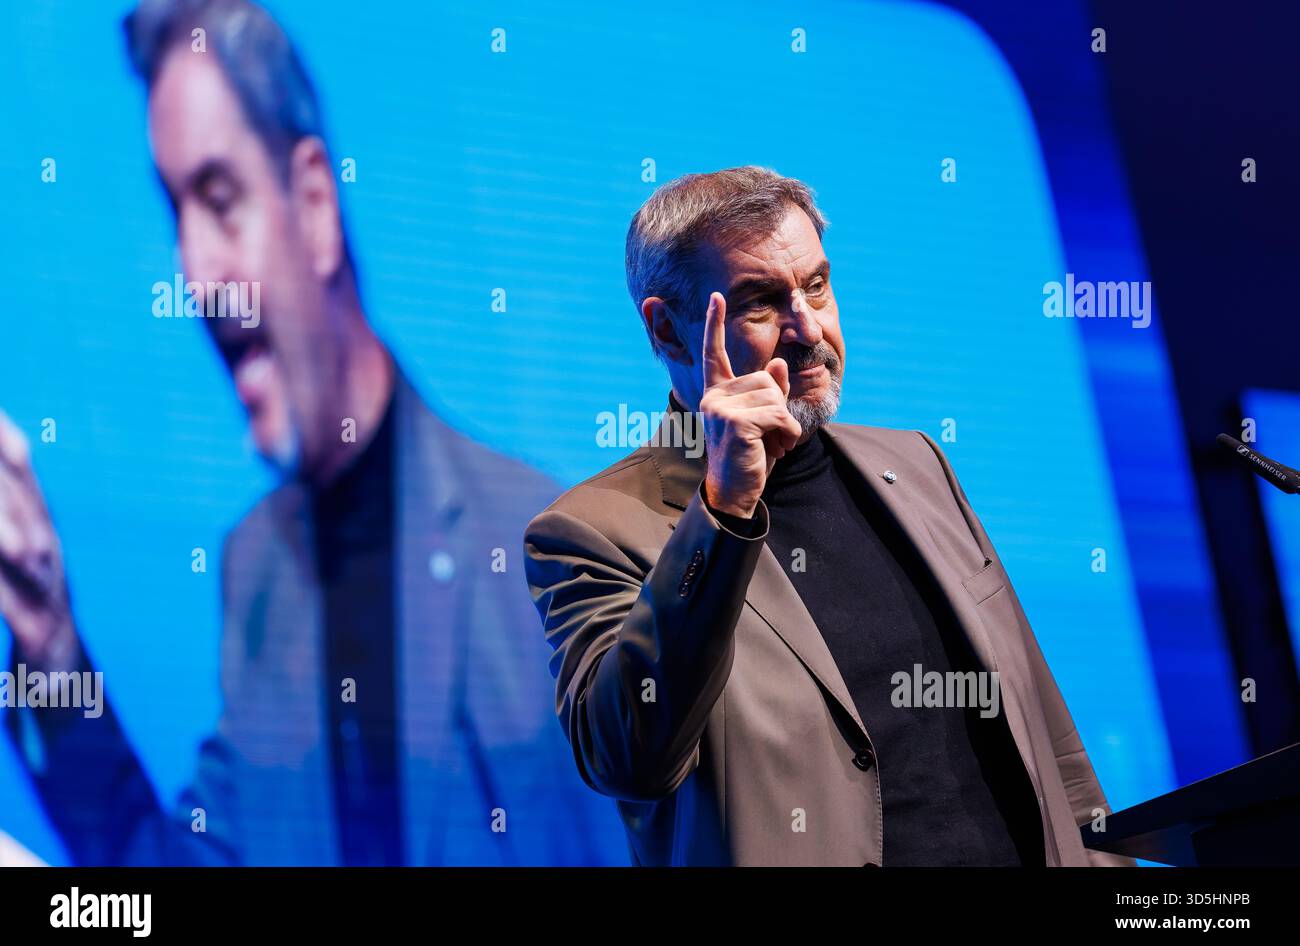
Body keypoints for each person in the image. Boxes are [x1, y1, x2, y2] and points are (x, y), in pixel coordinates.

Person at [0, 0, 623, 866]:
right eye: (176, 213)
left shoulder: (536, 550)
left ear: (316, 205)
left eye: (219, 201)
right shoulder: (257, 573)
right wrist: (49, 646)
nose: (193, 272)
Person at [524, 166, 1132, 866]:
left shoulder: (918, 465)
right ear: (667, 331)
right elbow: (629, 755)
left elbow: (1053, 745)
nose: (807, 327)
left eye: (815, 285)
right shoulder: (593, 528)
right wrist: (723, 509)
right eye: (759, 302)